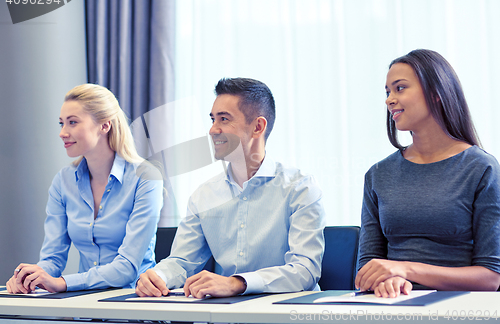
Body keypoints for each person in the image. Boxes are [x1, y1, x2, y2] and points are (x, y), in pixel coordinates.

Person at [135, 77, 325, 298]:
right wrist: (158, 276)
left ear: (258, 127)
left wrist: (238, 283)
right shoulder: (202, 196)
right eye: (213, 119)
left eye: (224, 119)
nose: (213, 130)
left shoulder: (300, 188)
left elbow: (305, 270)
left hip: (286, 315)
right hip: (225, 315)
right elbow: (182, 261)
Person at [355, 49, 500, 298]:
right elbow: (367, 268)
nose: (389, 100)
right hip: (392, 307)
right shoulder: (378, 174)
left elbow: (491, 277)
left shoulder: (482, 169)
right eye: (388, 91)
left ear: (435, 94)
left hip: (459, 309)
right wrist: (384, 282)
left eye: (400, 88)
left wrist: (406, 270)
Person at [6, 84, 163, 293]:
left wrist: (63, 283)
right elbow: (52, 258)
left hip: (134, 302)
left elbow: (126, 268)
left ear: (104, 126)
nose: (63, 133)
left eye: (72, 122)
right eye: (61, 123)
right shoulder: (63, 181)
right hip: (83, 305)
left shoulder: (146, 178)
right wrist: (31, 277)